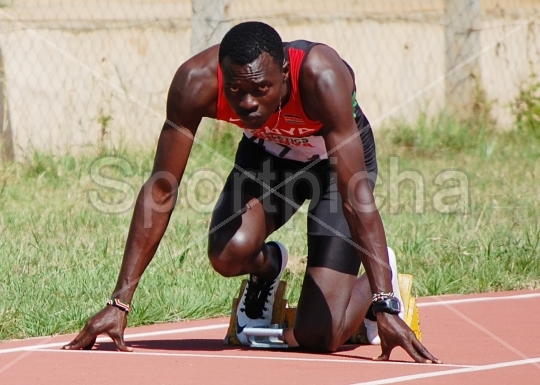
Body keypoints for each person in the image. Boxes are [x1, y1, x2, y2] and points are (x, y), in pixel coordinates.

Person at [63, 21, 441, 363]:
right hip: (268, 159)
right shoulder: (195, 83)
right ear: (221, 76)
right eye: (236, 90)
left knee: (319, 336)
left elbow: (355, 198)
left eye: (261, 88)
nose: (247, 103)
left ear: (286, 73)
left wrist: (385, 303)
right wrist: (119, 302)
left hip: (331, 169)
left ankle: (383, 279)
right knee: (227, 253)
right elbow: (162, 188)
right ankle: (269, 270)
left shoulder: (321, 75)